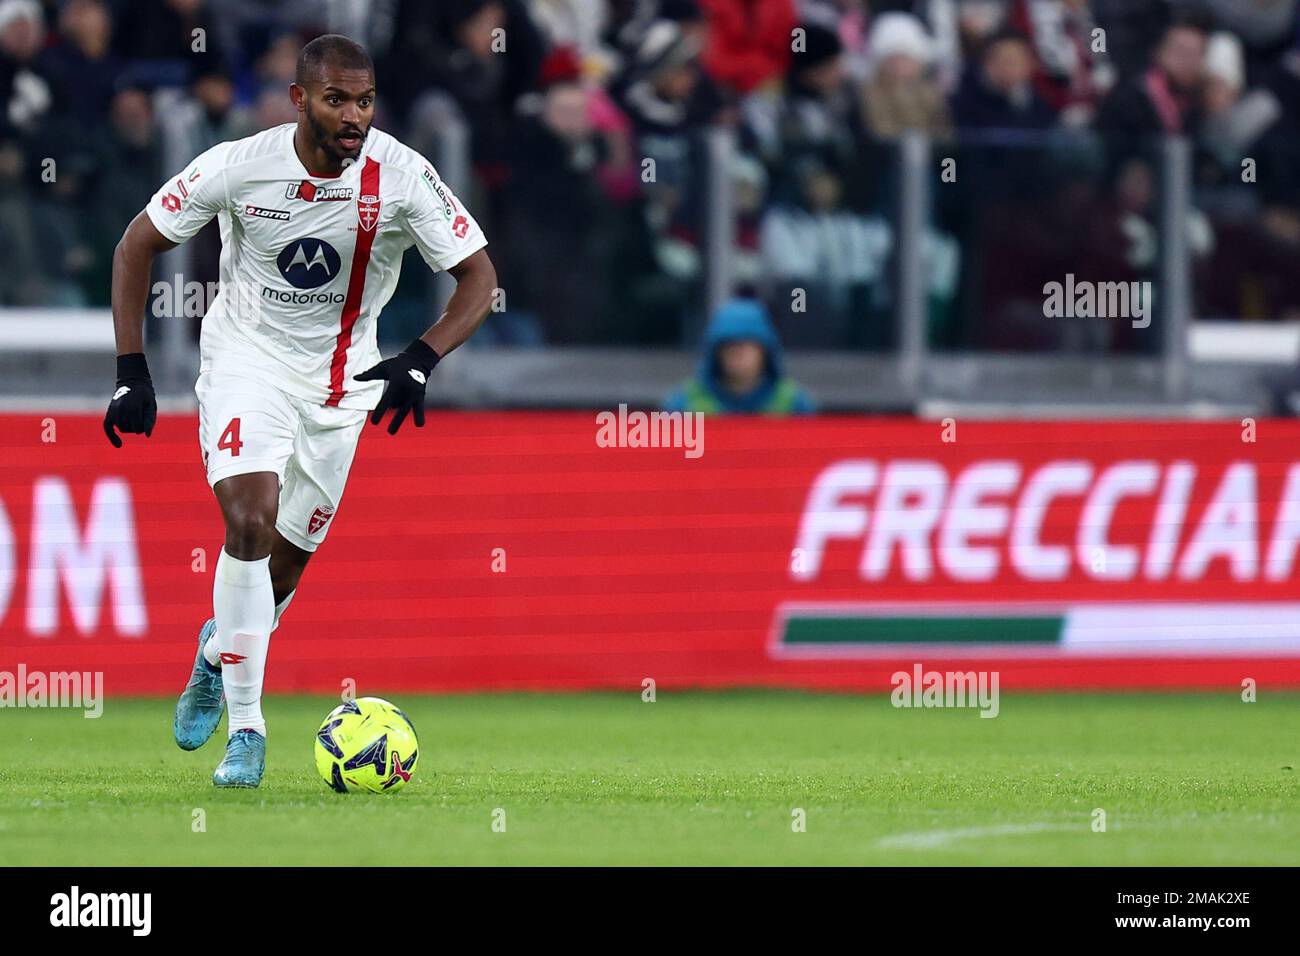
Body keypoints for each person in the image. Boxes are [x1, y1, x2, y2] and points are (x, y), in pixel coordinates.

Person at [101, 34, 497, 788]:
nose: (354, 116)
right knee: (248, 518)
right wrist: (130, 368)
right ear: (300, 100)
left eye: (366, 101)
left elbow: (478, 276)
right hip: (247, 364)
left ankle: (219, 650)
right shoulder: (237, 167)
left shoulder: (404, 176)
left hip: (342, 390)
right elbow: (134, 246)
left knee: (277, 575)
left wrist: (422, 357)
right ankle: (248, 732)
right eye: (337, 100)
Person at [664, 298, 815, 414]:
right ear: (715, 351)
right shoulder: (684, 404)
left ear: (765, 350)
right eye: (729, 344)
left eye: (747, 343)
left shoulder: (794, 404)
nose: (738, 352)